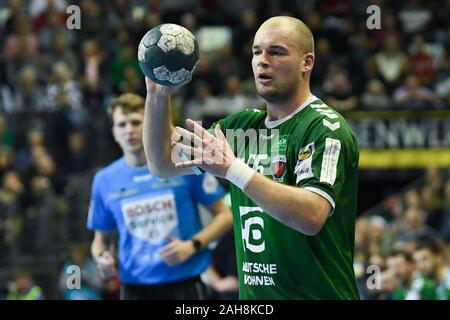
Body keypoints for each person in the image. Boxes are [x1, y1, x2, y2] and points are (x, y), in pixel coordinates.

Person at [143, 16, 360, 299]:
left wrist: (233, 169)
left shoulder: (324, 128)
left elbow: (312, 215)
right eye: (257, 51)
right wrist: (157, 94)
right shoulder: (241, 127)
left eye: (276, 52)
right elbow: (162, 163)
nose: (262, 60)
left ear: (307, 63)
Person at [87, 93, 232, 300]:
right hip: (134, 288)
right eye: (122, 125)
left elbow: (225, 216)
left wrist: (193, 245)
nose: (129, 130)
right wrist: (102, 257)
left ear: (149, 125)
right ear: (114, 133)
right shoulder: (104, 180)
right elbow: (100, 240)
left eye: (136, 122)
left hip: (185, 284)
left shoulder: (183, 164)